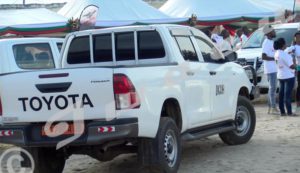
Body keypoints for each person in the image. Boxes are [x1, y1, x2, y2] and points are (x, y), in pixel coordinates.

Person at [274, 38, 296, 116]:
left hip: (281, 76)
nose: (286, 44)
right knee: (287, 95)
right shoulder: (284, 54)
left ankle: (282, 112)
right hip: (288, 76)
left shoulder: (276, 53)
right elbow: (292, 66)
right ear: (283, 45)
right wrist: (297, 65)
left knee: (281, 95)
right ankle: (289, 112)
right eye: (285, 43)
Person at [262, 25, 279, 114]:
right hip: (270, 69)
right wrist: (275, 58)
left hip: (273, 68)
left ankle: (271, 107)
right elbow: (263, 56)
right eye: (273, 30)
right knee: (272, 88)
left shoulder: (270, 41)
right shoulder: (266, 43)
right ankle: (273, 107)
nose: (274, 32)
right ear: (269, 33)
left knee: (272, 88)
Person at [285, 31, 300, 112]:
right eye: (297, 37)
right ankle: (298, 105)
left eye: (299, 37)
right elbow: (285, 52)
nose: (298, 39)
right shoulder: (293, 47)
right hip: (298, 68)